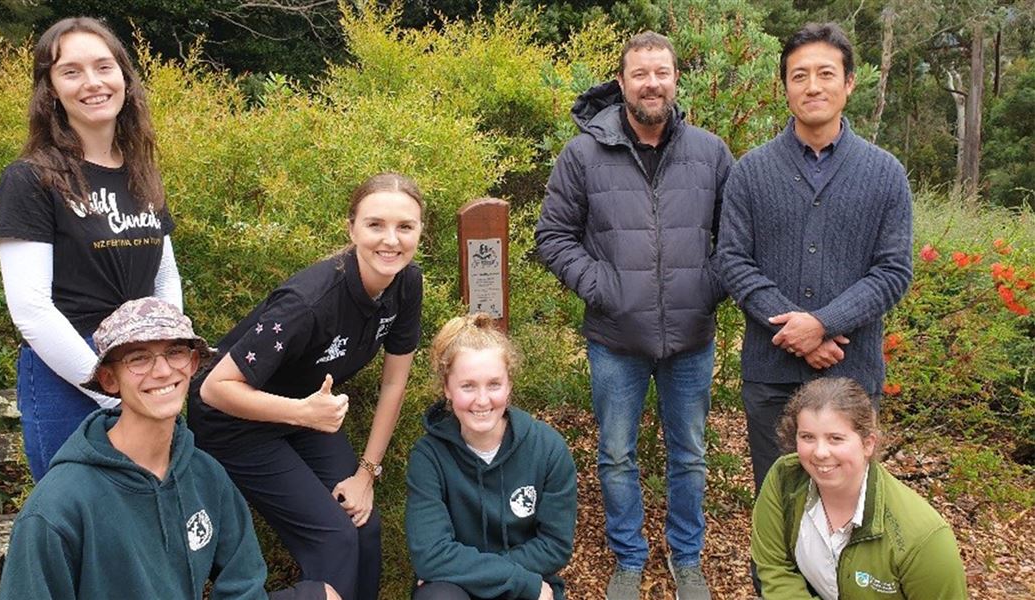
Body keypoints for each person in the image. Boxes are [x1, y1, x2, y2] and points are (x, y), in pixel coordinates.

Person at [535, 30, 732, 600]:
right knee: (617, 454)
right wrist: (604, 287)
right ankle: (628, 556)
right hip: (615, 337)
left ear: (675, 80)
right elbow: (553, 236)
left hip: (692, 337)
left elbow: (738, 238)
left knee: (689, 452)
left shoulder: (711, 153)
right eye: (640, 73)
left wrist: (707, 286)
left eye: (662, 72)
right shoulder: (583, 154)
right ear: (621, 82)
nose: (652, 83)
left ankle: (686, 557)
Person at [189, 172, 425, 600]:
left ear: (419, 232)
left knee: (363, 523)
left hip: (305, 413)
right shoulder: (308, 302)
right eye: (375, 225)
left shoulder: (407, 284)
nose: (391, 240)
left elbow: (395, 382)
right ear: (351, 227)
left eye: (405, 226)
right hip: (233, 423)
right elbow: (213, 389)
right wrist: (302, 413)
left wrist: (365, 474)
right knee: (333, 537)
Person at [0, 297, 331, 599]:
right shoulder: (58, 507)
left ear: (193, 363)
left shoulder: (204, 475)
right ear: (110, 379)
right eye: (138, 358)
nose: (162, 371)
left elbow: (243, 583)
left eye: (175, 352)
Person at [713, 22, 913, 494]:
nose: (813, 85)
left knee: (846, 505)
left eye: (826, 73)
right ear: (785, 86)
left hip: (852, 374)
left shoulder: (884, 174)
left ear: (848, 83)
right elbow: (734, 262)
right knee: (777, 502)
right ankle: (777, 574)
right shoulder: (751, 172)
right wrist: (797, 334)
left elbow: (893, 271)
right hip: (772, 376)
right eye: (799, 75)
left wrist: (821, 324)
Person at [0, 17, 181, 481]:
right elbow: (31, 309)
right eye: (71, 71)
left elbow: (164, 278)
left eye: (104, 66)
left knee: (152, 515)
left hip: (146, 373)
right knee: (82, 530)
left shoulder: (140, 173)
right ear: (51, 90)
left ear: (125, 79)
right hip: (69, 381)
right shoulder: (30, 179)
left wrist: (166, 359)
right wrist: (110, 388)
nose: (92, 82)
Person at [405, 313, 577, 600]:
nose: (482, 400)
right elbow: (431, 554)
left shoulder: (548, 448)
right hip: (458, 589)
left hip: (526, 588)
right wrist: (517, 579)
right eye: (468, 386)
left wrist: (509, 579)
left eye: (494, 384)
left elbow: (554, 546)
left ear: (509, 386)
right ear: (447, 388)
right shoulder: (429, 456)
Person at [751, 377, 968, 599]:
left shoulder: (923, 539)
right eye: (807, 437)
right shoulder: (785, 478)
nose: (820, 452)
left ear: (867, 443)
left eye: (835, 438)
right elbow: (775, 566)